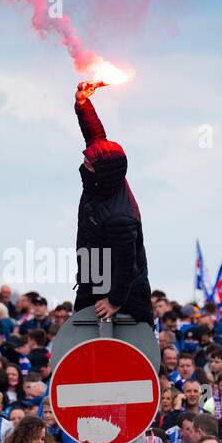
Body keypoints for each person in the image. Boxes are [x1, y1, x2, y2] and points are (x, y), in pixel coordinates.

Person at [71, 80, 151, 324]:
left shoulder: (120, 217)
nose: (83, 165)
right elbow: (95, 135)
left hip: (122, 292)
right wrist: (83, 104)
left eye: (88, 165)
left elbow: (128, 264)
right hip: (93, 272)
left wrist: (114, 300)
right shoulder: (104, 179)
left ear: (101, 173)